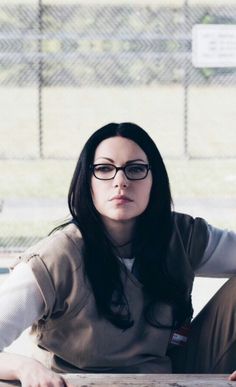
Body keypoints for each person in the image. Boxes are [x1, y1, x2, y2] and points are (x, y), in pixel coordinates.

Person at [1, 122, 236, 385]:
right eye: (104, 168)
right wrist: (24, 367)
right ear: (86, 181)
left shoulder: (181, 236)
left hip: (167, 377)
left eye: (135, 169)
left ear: (153, 179)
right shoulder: (55, 258)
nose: (120, 181)